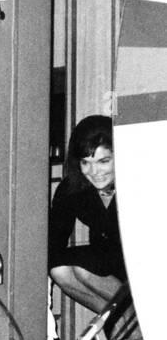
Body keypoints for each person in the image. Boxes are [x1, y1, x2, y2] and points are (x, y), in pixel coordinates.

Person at [48, 115, 127, 321]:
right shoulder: (72, 189)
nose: (94, 172)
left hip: (141, 265)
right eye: (86, 162)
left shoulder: (139, 181)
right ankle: (121, 322)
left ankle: (138, 317)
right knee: (59, 269)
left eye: (104, 161)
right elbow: (54, 244)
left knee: (84, 269)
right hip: (104, 261)